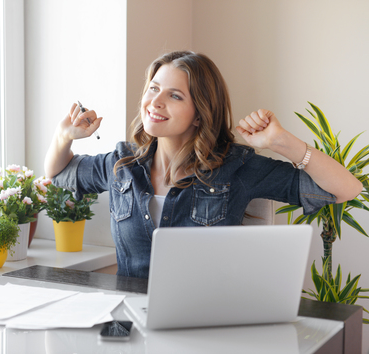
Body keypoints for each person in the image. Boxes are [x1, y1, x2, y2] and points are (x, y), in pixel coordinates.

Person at [44, 51, 362, 279]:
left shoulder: (235, 167)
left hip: (204, 326)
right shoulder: (122, 163)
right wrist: (64, 135)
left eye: (175, 96)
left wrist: (282, 142)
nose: (155, 102)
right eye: (153, 89)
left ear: (200, 113)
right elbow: (58, 175)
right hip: (130, 326)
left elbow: (346, 189)